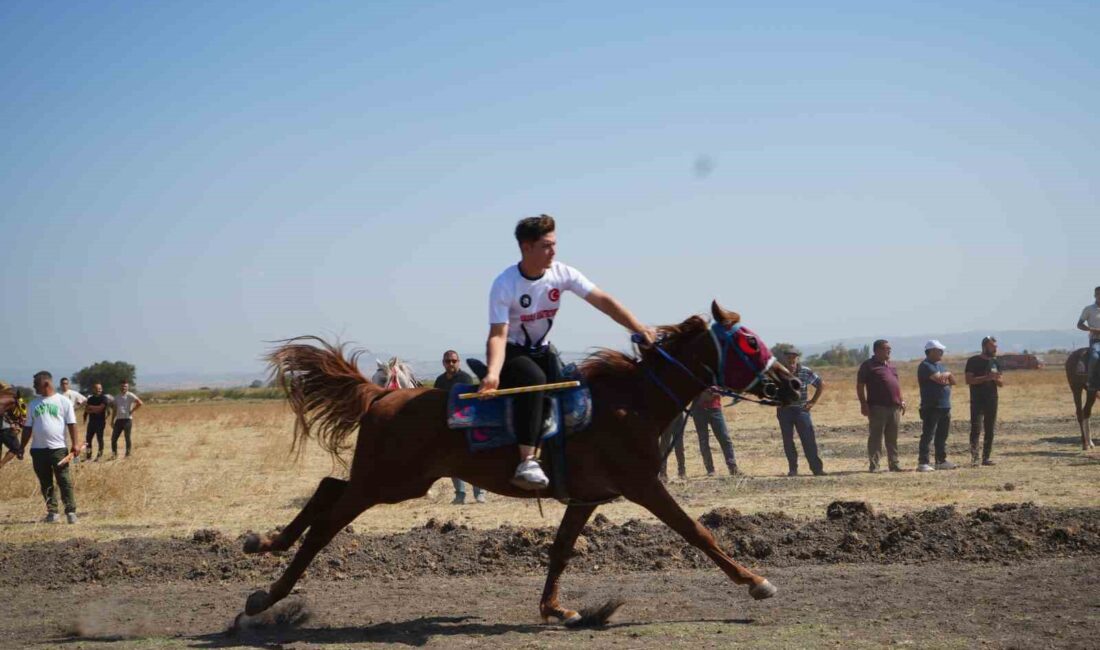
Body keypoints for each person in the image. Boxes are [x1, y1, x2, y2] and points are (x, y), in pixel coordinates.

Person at [481, 215, 656, 489]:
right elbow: (498, 335)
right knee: (535, 382)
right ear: (527, 247)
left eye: (554, 244)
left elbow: (603, 301)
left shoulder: (562, 274)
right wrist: (492, 374)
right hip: (513, 354)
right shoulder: (505, 284)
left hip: (544, 351)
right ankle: (526, 461)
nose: (553, 251)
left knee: (576, 387)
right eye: (546, 246)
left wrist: (638, 327)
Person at [18, 371, 82, 523]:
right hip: (38, 450)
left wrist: (75, 444)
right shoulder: (33, 404)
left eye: (36, 384)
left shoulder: (63, 402)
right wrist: (22, 446)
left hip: (58, 449)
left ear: (46, 383)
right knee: (45, 482)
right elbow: (27, 428)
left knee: (64, 480)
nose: (34, 388)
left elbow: (72, 424)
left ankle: (71, 512)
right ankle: (52, 513)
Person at [434, 350, 485, 504]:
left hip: (466, 424)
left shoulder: (465, 379)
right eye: (448, 361)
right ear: (443, 362)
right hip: (447, 425)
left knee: (474, 459)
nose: (451, 364)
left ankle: (480, 492)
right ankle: (460, 494)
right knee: (453, 460)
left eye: (454, 361)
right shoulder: (439, 380)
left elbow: (471, 403)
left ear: (458, 362)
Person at [857, 339, 906, 472]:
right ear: (877, 350)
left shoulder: (891, 366)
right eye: (886, 348)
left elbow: (896, 384)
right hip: (877, 407)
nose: (889, 350)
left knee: (892, 437)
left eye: (889, 348)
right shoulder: (868, 366)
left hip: (894, 407)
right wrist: (863, 404)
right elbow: (860, 386)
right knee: (876, 437)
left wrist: (901, 400)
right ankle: (874, 465)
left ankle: (894, 464)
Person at [777, 348, 825, 477]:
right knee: (788, 441)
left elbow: (820, 384)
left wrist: (812, 402)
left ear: (797, 358)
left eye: (794, 357)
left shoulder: (805, 371)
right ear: (784, 358)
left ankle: (817, 469)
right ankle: (793, 469)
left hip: (801, 411)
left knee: (808, 440)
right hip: (784, 411)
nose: (791, 359)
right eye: (788, 357)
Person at [916, 340, 957, 472]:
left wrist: (948, 375)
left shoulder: (940, 366)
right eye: (939, 350)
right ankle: (923, 462)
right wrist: (947, 375)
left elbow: (953, 381)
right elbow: (940, 379)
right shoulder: (926, 366)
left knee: (942, 435)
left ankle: (941, 460)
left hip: (944, 405)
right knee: (928, 434)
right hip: (931, 406)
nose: (942, 353)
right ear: (931, 351)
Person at [965, 336, 1003, 466]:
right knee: (976, 428)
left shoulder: (995, 362)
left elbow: (1001, 382)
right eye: (993, 346)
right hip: (977, 399)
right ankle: (974, 458)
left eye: (996, 346)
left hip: (992, 399)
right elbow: (969, 380)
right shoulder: (973, 361)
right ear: (985, 347)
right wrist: (986, 378)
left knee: (990, 428)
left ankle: (986, 457)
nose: (995, 348)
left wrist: (996, 379)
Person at [691, 389, 739, 476]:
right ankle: (710, 470)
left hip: (715, 409)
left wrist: (716, 391)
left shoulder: (716, 376)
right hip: (698, 410)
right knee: (704, 441)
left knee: (725, 439)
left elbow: (726, 389)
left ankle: (733, 468)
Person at [109, 380, 142, 459]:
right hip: (118, 420)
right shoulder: (117, 397)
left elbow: (140, 403)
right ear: (120, 387)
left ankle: (127, 455)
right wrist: (112, 420)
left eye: (125, 386)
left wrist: (132, 410)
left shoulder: (130, 395)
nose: (124, 388)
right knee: (113, 439)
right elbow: (114, 409)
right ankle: (114, 454)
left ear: (128, 387)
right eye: (122, 386)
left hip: (127, 420)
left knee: (127, 438)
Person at [1077, 286, 1100, 392]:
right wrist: (1093, 329)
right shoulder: (1089, 309)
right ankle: (1092, 381)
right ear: (1095, 295)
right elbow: (1079, 324)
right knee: (1095, 357)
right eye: (1098, 294)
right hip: (1096, 340)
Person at [658, 411, 688, 482]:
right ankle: (663, 473)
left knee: (679, 444)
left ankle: (682, 471)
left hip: (679, 415)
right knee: (664, 446)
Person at [83, 383, 110, 460]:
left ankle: (99, 456)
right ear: (93, 389)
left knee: (99, 439)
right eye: (97, 388)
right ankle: (88, 456)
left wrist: (91, 407)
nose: (99, 390)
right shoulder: (90, 399)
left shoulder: (104, 398)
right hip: (91, 422)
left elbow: (101, 408)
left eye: (100, 388)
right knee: (88, 439)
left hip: (100, 422)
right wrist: (94, 409)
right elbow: (86, 410)